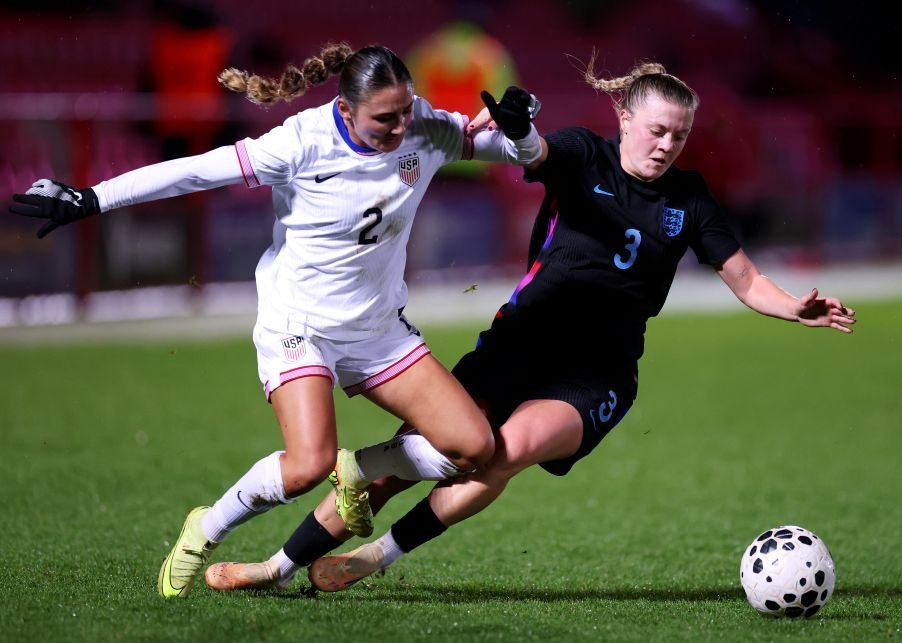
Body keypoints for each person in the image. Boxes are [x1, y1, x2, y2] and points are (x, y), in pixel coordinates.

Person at [200, 57, 856, 594]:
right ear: (623, 116)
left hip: (597, 374)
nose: (666, 145)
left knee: (504, 451)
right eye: (657, 129)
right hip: (516, 344)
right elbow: (534, 149)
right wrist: (518, 125)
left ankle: (378, 554)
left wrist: (792, 305)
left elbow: (744, 278)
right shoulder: (580, 155)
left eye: (679, 135)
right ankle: (277, 566)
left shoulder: (691, 199)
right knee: (401, 464)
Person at [8, 44, 547, 598]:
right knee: (306, 465)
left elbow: (521, 154)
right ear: (345, 109)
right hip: (301, 324)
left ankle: (361, 469)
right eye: (386, 118)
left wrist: (521, 127)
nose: (401, 126)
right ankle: (206, 528)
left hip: (378, 328)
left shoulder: (423, 125)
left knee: (472, 449)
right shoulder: (300, 142)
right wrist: (90, 199)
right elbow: (194, 172)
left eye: (406, 110)